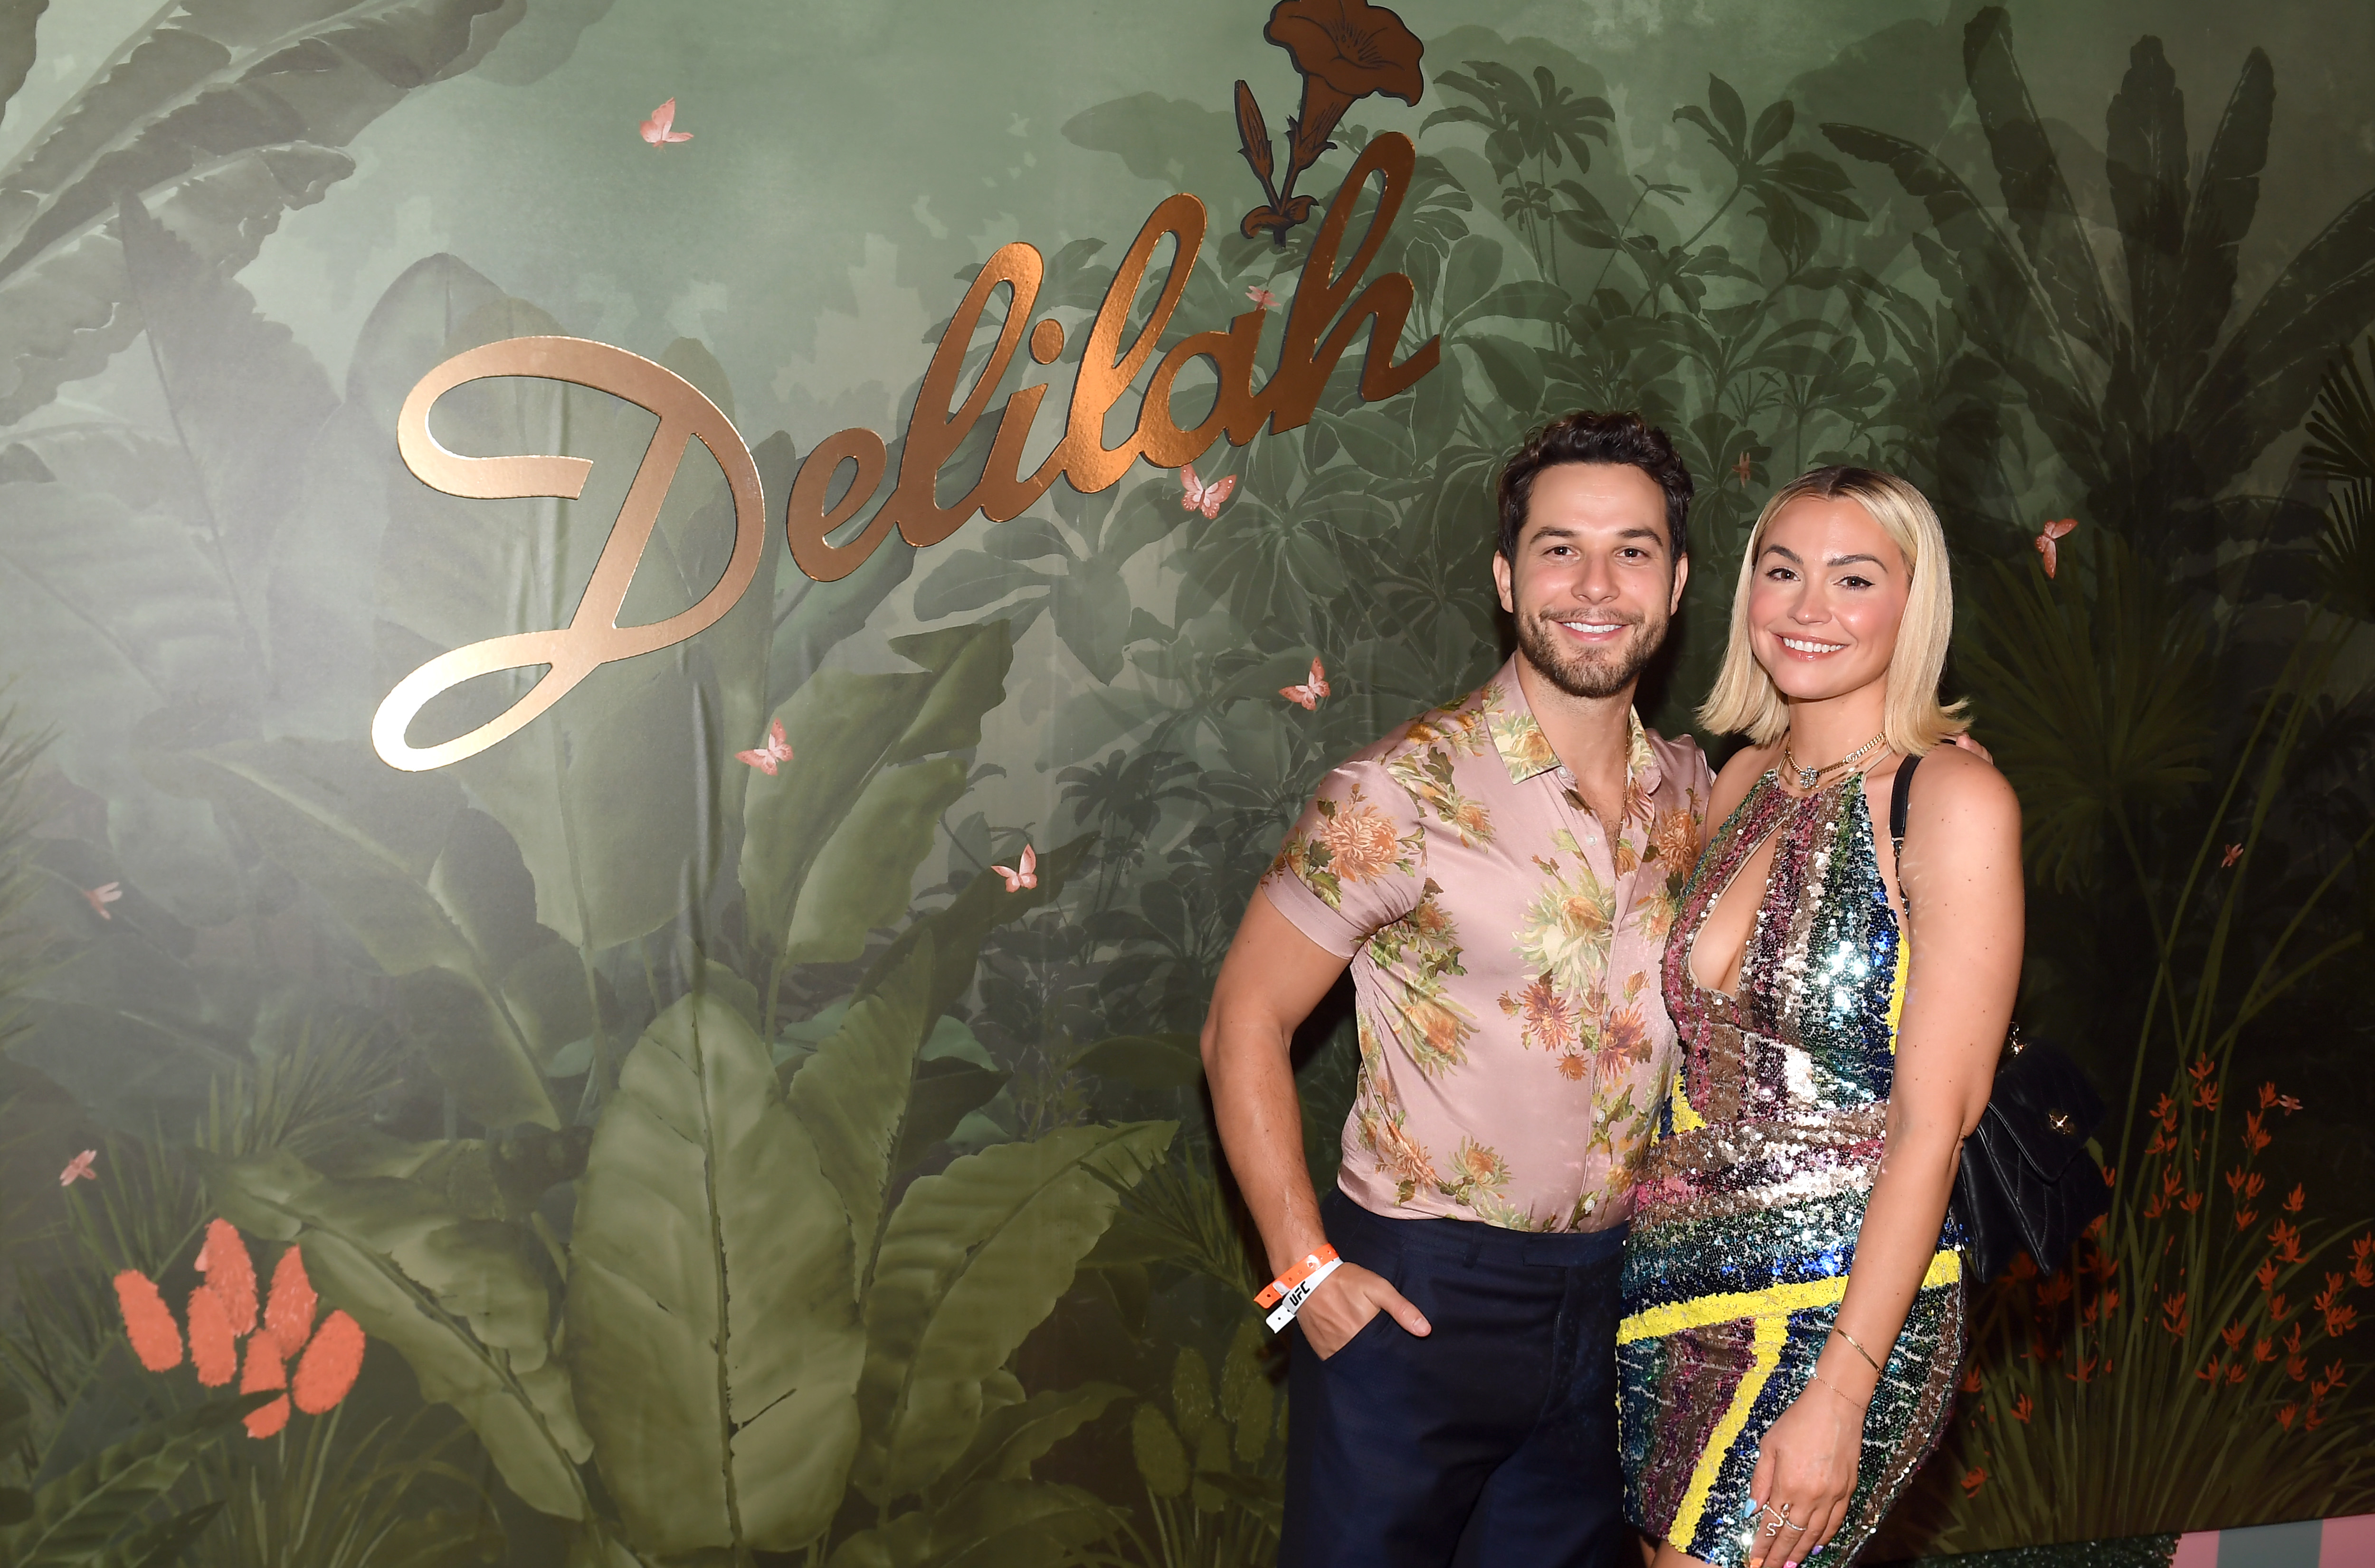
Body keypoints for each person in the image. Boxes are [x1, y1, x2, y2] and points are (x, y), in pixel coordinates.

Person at [1202, 410, 1712, 1568]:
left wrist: (1933, 760)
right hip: (1421, 1292)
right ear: (1504, 574)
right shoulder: (1396, 794)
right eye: (1557, 548)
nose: (1595, 582)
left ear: (1676, 583)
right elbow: (1245, 1017)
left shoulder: (1695, 793)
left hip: (1614, 1295)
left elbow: (1834, 778)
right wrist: (1302, 1273)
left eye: (1632, 549)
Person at [1618, 466, 2022, 1568]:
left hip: (1839, 1297)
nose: (1807, 608)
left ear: (1913, 604)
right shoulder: (1738, 777)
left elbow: (1935, 1122)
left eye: (1854, 579)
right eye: (1781, 571)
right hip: (1670, 1286)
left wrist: (1841, 1392)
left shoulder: (1949, 798)